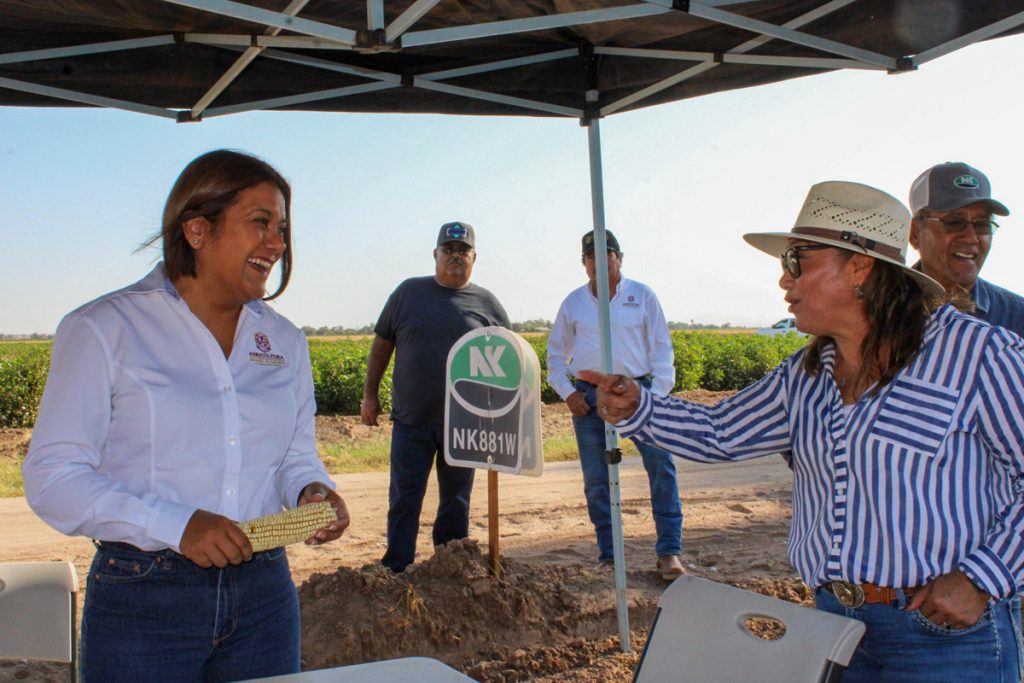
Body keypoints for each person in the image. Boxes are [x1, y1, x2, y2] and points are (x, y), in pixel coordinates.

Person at [583, 181, 1024, 682]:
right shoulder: (805, 375)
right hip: (835, 628)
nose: (784, 280)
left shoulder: (977, 355)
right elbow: (720, 430)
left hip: (945, 636)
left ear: (859, 269)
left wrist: (982, 579)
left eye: (796, 261)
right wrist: (638, 406)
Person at [22, 150, 350, 683]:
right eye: (261, 222)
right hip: (145, 595)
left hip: (264, 593)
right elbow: (52, 478)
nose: (278, 244)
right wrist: (177, 524)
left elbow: (295, 457)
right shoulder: (103, 328)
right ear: (197, 230)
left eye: (283, 228)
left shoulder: (285, 341)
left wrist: (310, 490)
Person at [361, 221, 510, 573]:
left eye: (463, 251)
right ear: (435, 254)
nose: (455, 256)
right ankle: (397, 567)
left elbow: (508, 358)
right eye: (449, 249)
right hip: (411, 419)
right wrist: (370, 395)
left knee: (456, 499)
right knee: (404, 497)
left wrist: (502, 413)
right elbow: (382, 344)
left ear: (474, 258)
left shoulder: (487, 303)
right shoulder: (408, 293)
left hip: (465, 422)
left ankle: (450, 564)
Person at [547, 229, 684, 579]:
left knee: (661, 466)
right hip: (590, 398)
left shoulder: (642, 296)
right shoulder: (573, 303)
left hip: (638, 392)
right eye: (590, 256)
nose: (598, 261)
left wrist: (656, 397)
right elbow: (556, 356)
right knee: (597, 479)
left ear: (619, 258)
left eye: (606, 254)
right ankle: (609, 555)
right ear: (584, 263)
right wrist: (569, 393)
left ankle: (669, 552)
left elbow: (662, 350)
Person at [909, 161, 1024, 336]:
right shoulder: (877, 309)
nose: (971, 238)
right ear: (915, 233)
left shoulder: (1017, 318)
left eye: (982, 224)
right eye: (954, 222)